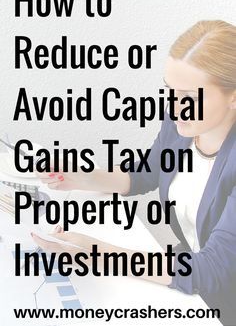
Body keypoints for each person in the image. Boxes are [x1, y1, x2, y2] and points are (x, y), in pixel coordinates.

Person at [33, 20, 236, 325]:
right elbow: (148, 173)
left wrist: (100, 254)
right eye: (170, 91)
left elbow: (211, 270)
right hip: (192, 285)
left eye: (189, 97)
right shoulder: (183, 125)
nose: (175, 107)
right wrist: (83, 176)